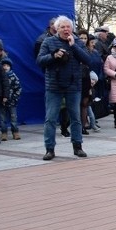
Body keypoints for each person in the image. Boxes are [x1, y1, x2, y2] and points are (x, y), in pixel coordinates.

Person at [37, 15, 88, 160]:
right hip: (54, 86)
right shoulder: (48, 42)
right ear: (56, 29)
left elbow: (87, 59)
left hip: (73, 85)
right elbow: (40, 60)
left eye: (68, 27)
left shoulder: (77, 41)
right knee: (51, 118)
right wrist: (54, 56)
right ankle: (50, 149)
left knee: (75, 118)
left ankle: (77, 146)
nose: (66, 29)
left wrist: (74, 46)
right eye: (62, 27)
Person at [0, 59, 22, 141]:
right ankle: (4, 133)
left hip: (12, 101)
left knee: (13, 118)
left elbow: (18, 88)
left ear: (10, 67)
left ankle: (15, 132)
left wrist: (15, 98)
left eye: (7, 66)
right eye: (4, 66)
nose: (5, 67)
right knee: (2, 119)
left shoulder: (13, 76)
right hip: (1, 102)